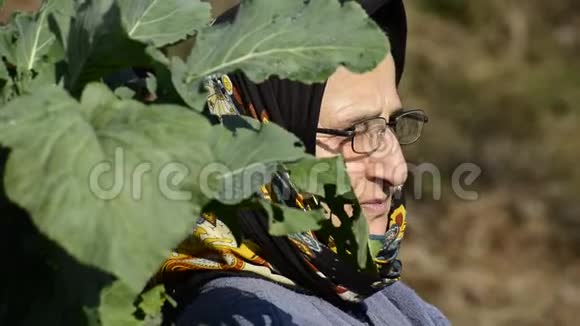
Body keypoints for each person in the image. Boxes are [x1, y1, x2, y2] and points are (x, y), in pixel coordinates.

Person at [159, 0, 450, 325]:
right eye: (353, 131)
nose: (396, 170)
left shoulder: (389, 301)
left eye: (390, 124)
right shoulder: (243, 315)